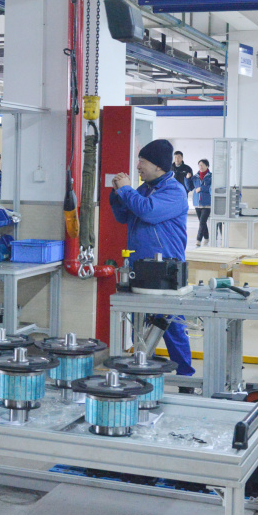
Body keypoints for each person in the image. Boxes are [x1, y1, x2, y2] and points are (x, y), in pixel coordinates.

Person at [110, 138, 195, 380]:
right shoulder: (145, 189)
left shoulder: (174, 191)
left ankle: (185, 376)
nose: (138, 166)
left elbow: (147, 211)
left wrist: (126, 190)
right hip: (141, 268)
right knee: (141, 324)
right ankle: (142, 371)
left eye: (143, 162)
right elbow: (124, 216)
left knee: (172, 325)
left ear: (158, 166)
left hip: (166, 270)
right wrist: (117, 194)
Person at [192, 159, 213, 247]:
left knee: (202, 222)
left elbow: (211, 188)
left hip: (207, 203)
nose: (200, 167)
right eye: (199, 165)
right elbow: (189, 187)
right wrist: (187, 178)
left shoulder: (211, 176)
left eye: (202, 165)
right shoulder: (195, 176)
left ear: (207, 166)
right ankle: (207, 237)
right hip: (197, 202)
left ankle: (198, 239)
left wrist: (201, 188)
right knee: (202, 222)